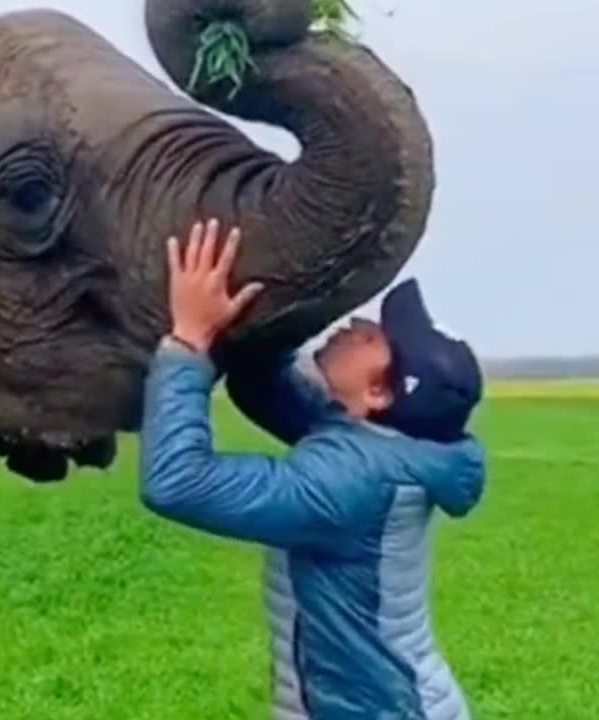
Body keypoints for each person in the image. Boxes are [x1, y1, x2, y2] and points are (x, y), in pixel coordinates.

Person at [138, 218, 487, 720]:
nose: (361, 325)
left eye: (377, 339)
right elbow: (262, 387)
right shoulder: (384, 448)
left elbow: (178, 482)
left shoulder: (349, 483)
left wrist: (188, 340)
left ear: (377, 394)